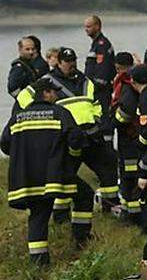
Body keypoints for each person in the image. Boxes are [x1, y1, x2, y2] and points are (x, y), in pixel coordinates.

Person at [16, 47, 121, 214]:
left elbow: (95, 105)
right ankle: (61, 215)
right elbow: (23, 97)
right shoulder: (47, 81)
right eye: (67, 62)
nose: (71, 64)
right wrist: (40, 113)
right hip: (66, 137)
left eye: (73, 61)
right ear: (59, 62)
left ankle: (112, 208)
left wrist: (97, 122)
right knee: (65, 176)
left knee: (108, 167)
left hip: (90, 135)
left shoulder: (85, 81)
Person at [2, 78, 84, 266]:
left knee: (38, 215)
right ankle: (80, 240)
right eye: (53, 92)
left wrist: (21, 155)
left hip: (27, 179)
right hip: (53, 178)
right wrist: (71, 159)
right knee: (84, 195)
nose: (56, 95)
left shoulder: (18, 116)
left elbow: (5, 143)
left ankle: (39, 262)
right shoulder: (59, 113)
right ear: (45, 93)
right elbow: (76, 138)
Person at [111, 53, 144, 224]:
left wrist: (114, 120)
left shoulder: (126, 84)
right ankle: (134, 211)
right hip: (136, 137)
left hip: (128, 137)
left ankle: (133, 215)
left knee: (129, 177)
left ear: (119, 67)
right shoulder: (139, 79)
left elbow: (126, 111)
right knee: (133, 175)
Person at [84, 14, 117, 133]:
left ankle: (107, 143)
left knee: (103, 118)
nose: (86, 29)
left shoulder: (102, 45)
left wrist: (92, 89)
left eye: (89, 26)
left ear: (97, 26)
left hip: (101, 91)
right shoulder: (96, 44)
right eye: (85, 27)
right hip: (97, 89)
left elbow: (103, 71)